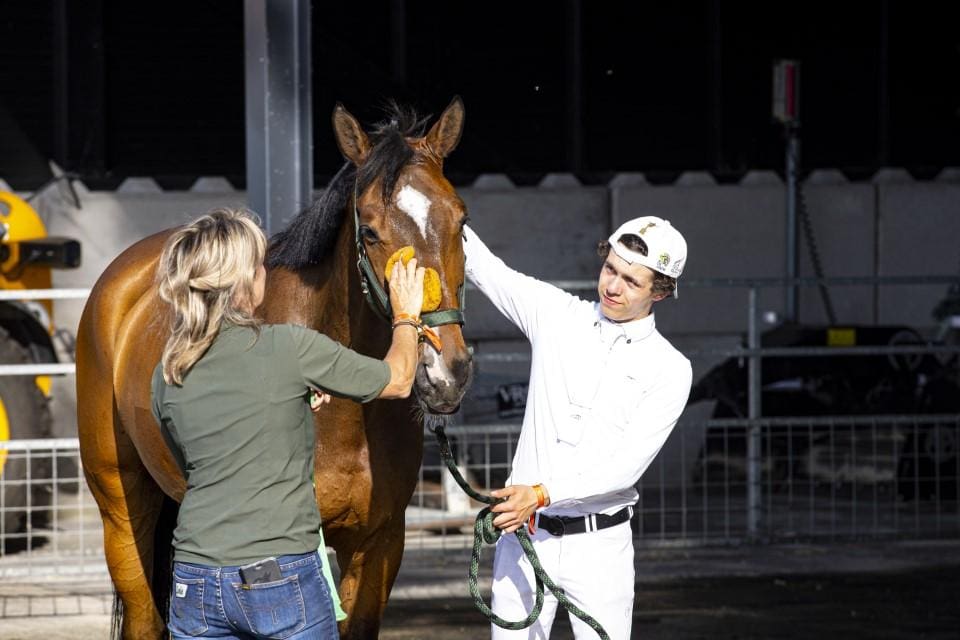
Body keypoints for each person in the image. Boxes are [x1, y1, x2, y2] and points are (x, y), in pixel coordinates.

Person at [151, 208, 424, 639]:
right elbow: (399, 379)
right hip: (279, 575)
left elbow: (200, 463)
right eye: (260, 265)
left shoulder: (168, 372)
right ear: (244, 283)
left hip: (194, 579)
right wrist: (406, 315)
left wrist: (285, 409)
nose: (266, 273)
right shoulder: (288, 347)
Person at [463, 216, 693, 639]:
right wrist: (424, 189)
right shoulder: (557, 314)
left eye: (631, 281)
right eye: (610, 268)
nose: (613, 286)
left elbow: (625, 468)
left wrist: (540, 493)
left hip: (599, 548)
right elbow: (486, 267)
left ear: (660, 292)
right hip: (525, 536)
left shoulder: (671, 369)